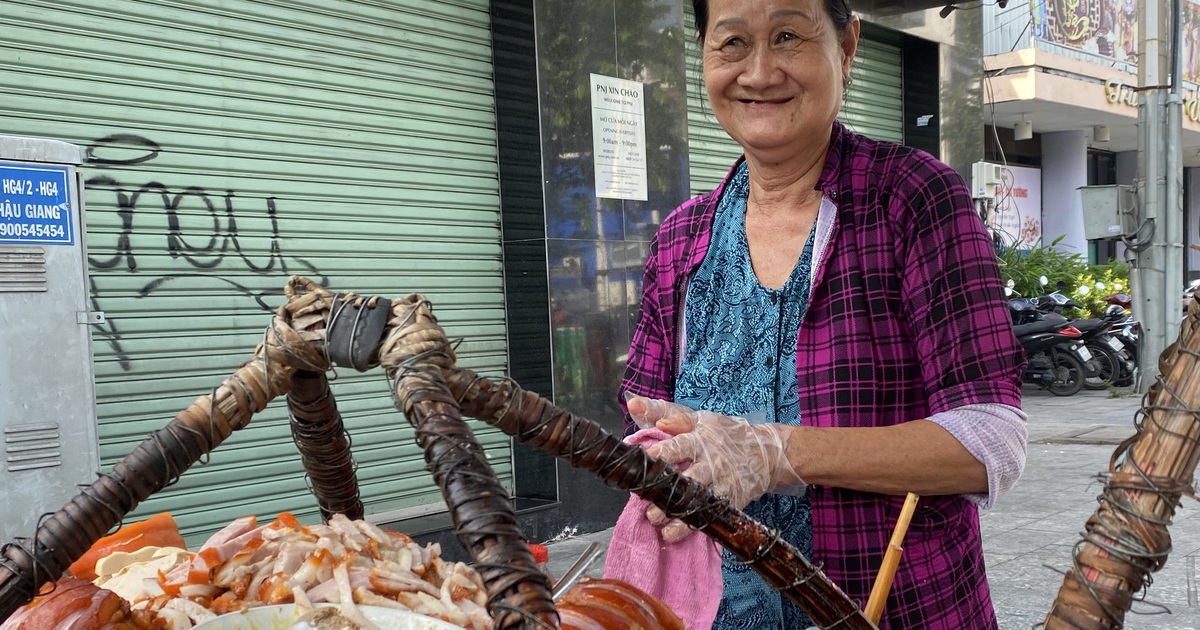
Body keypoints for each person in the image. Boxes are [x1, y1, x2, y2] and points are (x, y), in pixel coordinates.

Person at [618, 0, 1027, 628]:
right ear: (702, 53)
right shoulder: (681, 237)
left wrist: (775, 453)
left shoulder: (913, 200)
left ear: (848, 44)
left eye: (787, 36)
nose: (758, 73)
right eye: (731, 43)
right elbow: (649, 428)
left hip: (895, 609)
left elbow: (991, 442)